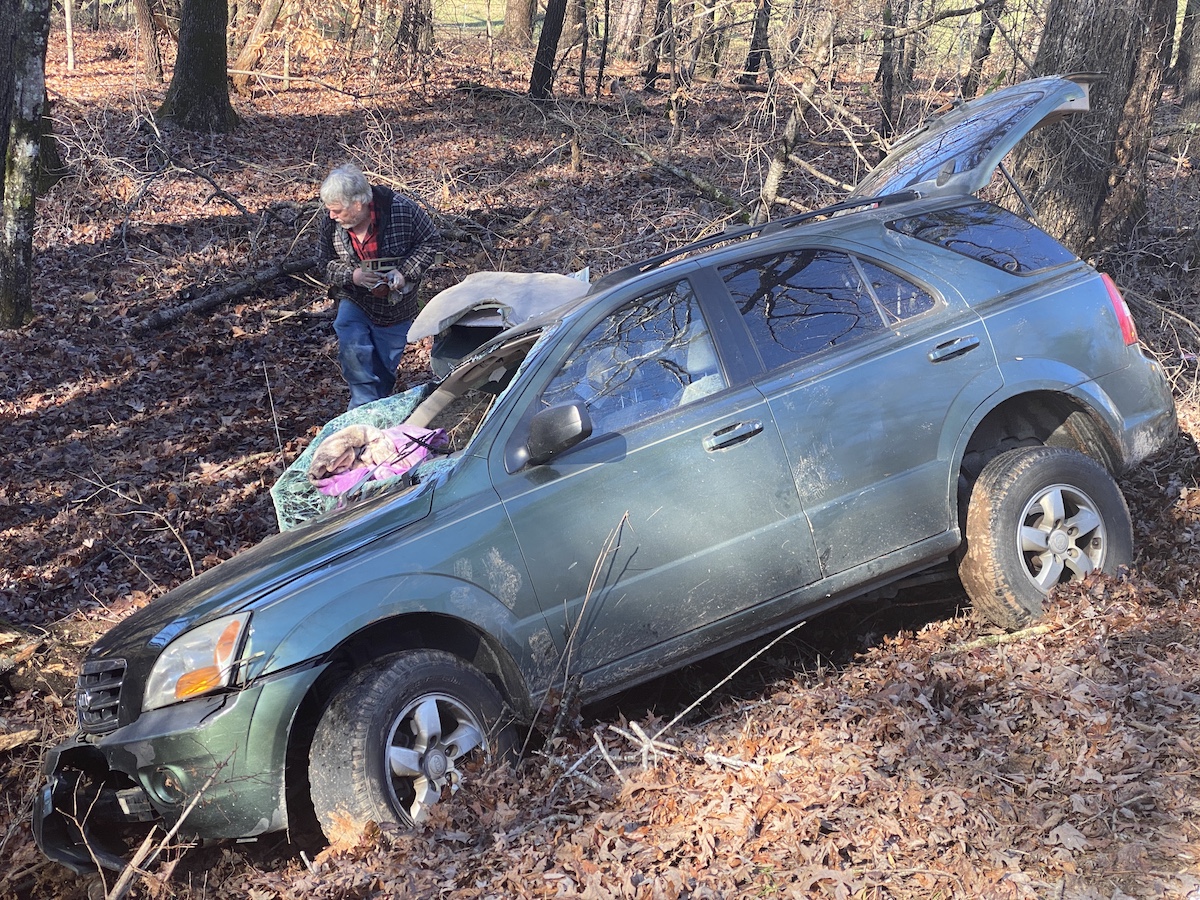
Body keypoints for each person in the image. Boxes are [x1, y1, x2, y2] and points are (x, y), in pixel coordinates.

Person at [316, 163, 443, 409]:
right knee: (349, 336)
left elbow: (430, 242)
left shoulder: (402, 210)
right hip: (355, 298)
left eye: (337, 210)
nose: (331, 215)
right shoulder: (331, 222)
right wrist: (353, 275)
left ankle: (375, 408)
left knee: (384, 371)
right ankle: (361, 407)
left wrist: (404, 272)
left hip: (396, 306)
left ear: (357, 204)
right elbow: (323, 261)